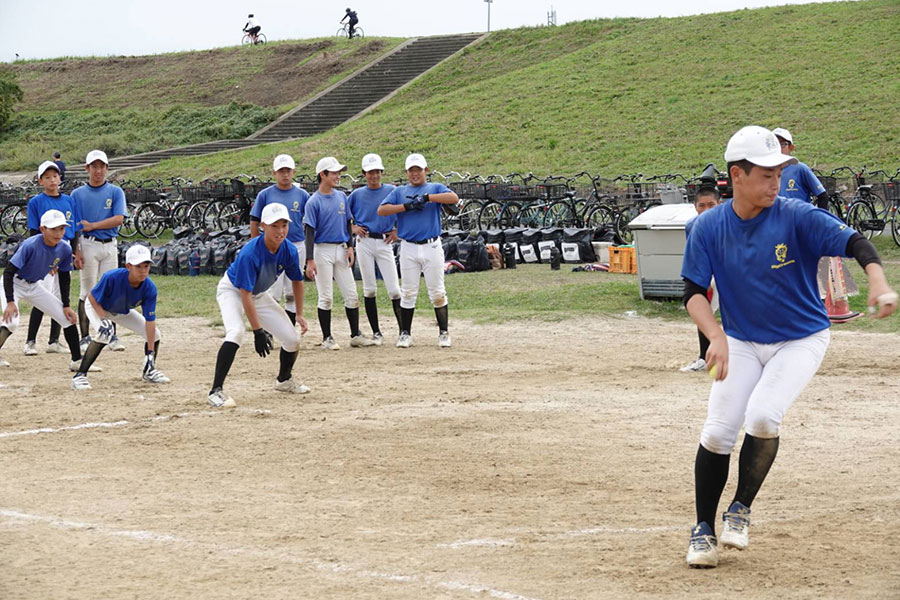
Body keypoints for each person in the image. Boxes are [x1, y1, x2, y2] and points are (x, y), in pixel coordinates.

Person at [681, 126, 898, 569]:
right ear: (737, 175)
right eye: (766, 174)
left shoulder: (795, 215)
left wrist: (877, 280)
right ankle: (703, 529)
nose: (776, 182)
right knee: (718, 432)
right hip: (741, 339)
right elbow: (693, 292)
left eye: (779, 173)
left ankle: (740, 508)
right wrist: (716, 337)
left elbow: (855, 242)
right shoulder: (707, 227)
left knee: (763, 416)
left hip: (800, 339)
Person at [208, 203, 310, 408]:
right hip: (232, 291)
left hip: (258, 294)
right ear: (263, 226)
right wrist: (258, 331)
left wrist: (299, 313)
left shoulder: (289, 249)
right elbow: (245, 295)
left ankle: (284, 380)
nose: (280, 231)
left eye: (284, 225)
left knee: (292, 339)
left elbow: (297, 281)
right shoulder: (250, 253)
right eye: (274, 226)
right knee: (236, 333)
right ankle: (215, 391)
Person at [377, 153, 459, 348]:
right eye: (411, 170)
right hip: (409, 246)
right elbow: (382, 209)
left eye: (418, 170)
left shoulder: (435, 188)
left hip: (431, 245)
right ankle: (405, 333)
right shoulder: (400, 191)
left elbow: (453, 198)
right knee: (408, 291)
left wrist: (428, 198)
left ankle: (443, 332)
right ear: (407, 172)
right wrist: (406, 206)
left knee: (437, 291)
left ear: (425, 170)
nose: (415, 174)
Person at [0, 209, 94, 374]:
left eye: (61, 229)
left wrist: (66, 305)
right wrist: (10, 302)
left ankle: (76, 361)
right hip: (14, 283)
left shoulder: (64, 248)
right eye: (53, 229)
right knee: (12, 323)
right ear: (42, 229)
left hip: (34, 285)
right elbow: (8, 273)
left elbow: (64, 278)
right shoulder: (30, 245)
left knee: (67, 318)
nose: (58, 233)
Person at [71, 245, 170, 390]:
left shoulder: (149, 288)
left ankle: (149, 370)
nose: (143, 270)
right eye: (138, 266)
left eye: (146, 266)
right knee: (105, 333)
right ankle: (80, 376)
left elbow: (150, 321)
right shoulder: (112, 277)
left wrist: (150, 353)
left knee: (155, 335)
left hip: (120, 311)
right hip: (97, 306)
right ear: (128, 266)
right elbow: (92, 297)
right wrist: (103, 319)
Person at [304, 157, 374, 350]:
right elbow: (309, 232)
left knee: (351, 294)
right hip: (322, 250)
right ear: (322, 174)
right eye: (334, 173)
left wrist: (350, 246)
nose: (338, 176)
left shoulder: (341, 196)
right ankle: (327, 337)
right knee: (325, 296)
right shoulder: (313, 202)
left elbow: (347, 223)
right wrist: (309, 259)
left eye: (338, 173)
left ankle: (355, 334)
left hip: (341, 248)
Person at [72, 150, 128, 353]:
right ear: (87, 169)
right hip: (88, 243)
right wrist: (77, 250)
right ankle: (85, 336)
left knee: (110, 290)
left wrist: (93, 225)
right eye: (94, 167)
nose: (98, 171)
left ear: (107, 168)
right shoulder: (77, 194)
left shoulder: (115, 191)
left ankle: (111, 334)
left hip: (110, 243)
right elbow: (74, 225)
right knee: (87, 290)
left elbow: (119, 218)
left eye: (101, 166)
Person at [23, 160, 77, 356]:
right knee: (42, 296)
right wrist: (46, 257)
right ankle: (30, 341)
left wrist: (74, 252)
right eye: (47, 177)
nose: (52, 180)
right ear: (40, 181)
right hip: (44, 250)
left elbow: (74, 230)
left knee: (60, 297)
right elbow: (34, 232)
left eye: (55, 176)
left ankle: (54, 340)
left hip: (64, 250)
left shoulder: (69, 200)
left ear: (60, 178)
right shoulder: (36, 202)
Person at [249, 154, 309, 326]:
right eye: (281, 171)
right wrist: (256, 245)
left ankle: (288, 327)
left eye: (288, 171)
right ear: (274, 173)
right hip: (271, 247)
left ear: (294, 172)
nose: (285, 174)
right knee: (271, 291)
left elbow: (311, 220)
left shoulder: (302, 195)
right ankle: (269, 330)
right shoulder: (265, 195)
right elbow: (254, 220)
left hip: (296, 245)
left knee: (291, 290)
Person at [348, 153, 401, 345]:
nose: (374, 176)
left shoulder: (391, 191)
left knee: (394, 290)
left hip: (384, 241)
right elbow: (344, 216)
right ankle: (376, 332)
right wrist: (353, 228)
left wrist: (397, 231)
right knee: (369, 288)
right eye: (370, 172)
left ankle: (403, 330)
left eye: (377, 171)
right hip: (365, 241)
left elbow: (404, 211)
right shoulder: (356, 195)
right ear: (364, 174)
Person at [680, 185, 721, 372]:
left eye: (711, 205)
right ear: (695, 207)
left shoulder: (730, 223)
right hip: (707, 274)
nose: (706, 210)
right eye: (701, 205)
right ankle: (704, 357)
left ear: (719, 204)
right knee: (703, 313)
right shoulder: (691, 226)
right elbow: (695, 257)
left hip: (730, 273)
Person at [772, 127, 829, 210]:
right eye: (775, 144)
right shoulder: (765, 171)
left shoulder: (801, 169)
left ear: (791, 147)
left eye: (783, 144)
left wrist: (818, 217)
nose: (779, 148)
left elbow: (823, 196)